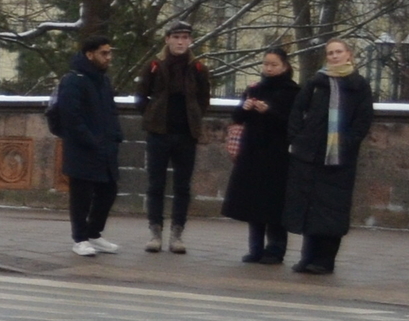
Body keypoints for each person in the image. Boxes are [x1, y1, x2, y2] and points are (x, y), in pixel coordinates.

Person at [282, 38, 374, 275]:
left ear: (348, 55)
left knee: (332, 210)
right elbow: (297, 111)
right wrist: (297, 139)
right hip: (310, 154)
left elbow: (363, 120)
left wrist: (347, 143)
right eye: (330, 53)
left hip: (338, 157)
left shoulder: (358, 85)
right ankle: (308, 257)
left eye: (338, 52)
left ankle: (325, 260)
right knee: (310, 207)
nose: (334, 56)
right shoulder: (316, 82)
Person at [135, 21, 212, 253]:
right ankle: (155, 232)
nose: (180, 42)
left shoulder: (198, 68)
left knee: (182, 186)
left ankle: (177, 234)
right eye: (176, 37)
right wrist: (153, 115)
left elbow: (203, 99)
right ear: (167, 39)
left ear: (190, 41)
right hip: (159, 133)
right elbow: (141, 97)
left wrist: (194, 118)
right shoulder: (154, 66)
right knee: (156, 184)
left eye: (185, 37)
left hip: (186, 135)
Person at [220, 49, 296, 264]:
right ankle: (255, 249)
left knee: (274, 205)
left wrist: (269, 111)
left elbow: (291, 122)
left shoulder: (291, 91)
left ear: (284, 66)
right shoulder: (255, 88)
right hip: (253, 152)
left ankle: (275, 249)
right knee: (252, 204)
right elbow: (237, 117)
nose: (269, 69)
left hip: (277, 155)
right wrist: (245, 108)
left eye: (274, 65)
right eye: (266, 64)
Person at [54, 35, 123, 255]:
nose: (108, 57)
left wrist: (115, 136)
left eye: (110, 52)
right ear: (89, 54)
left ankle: (94, 233)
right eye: (104, 53)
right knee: (81, 195)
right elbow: (70, 116)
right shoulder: (74, 80)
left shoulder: (102, 81)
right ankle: (80, 238)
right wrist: (89, 139)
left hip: (105, 147)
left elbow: (110, 111)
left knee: (108, 191)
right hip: (83, 148)